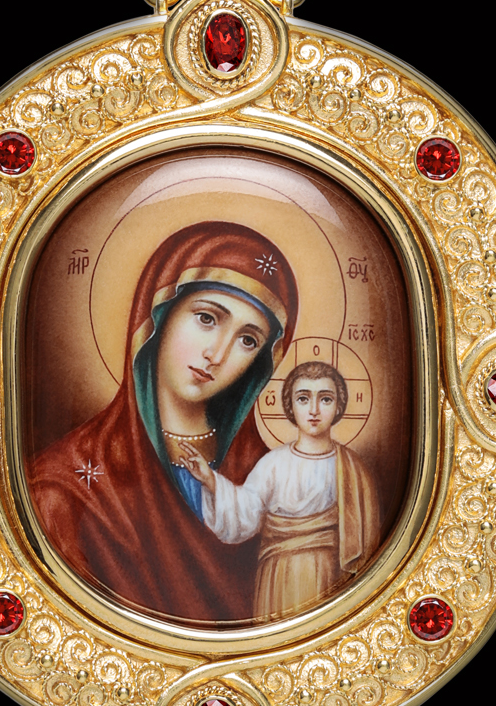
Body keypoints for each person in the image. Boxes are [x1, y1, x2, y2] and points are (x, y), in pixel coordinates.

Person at [27, 221, 299, 625]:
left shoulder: (269, 476)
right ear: (158, 316)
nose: (217, 354)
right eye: (207, 318)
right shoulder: (66, 487)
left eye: (248, 340)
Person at [180, 360, 380, 621]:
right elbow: (245, 512)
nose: (314, 410)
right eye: (303, 398)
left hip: (330, 576)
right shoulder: (274, 463)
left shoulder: (354, 469)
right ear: (290, 405)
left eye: (325, 399)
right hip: (279, 574)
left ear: (339, 406)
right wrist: (210, 480)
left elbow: (368, 546)